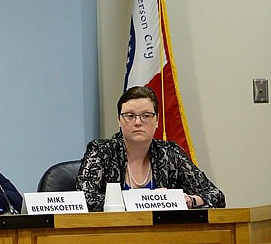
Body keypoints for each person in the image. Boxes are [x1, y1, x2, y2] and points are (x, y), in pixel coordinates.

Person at [76, 86, 225, 211]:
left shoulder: (170, 154)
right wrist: (144, 200)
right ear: (119, 121)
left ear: (157, 120)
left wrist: (190, 200)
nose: (138, 122)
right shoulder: (101, 151)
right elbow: (84, 198)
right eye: (130, 116)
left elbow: (216, 196)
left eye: (146, 116)